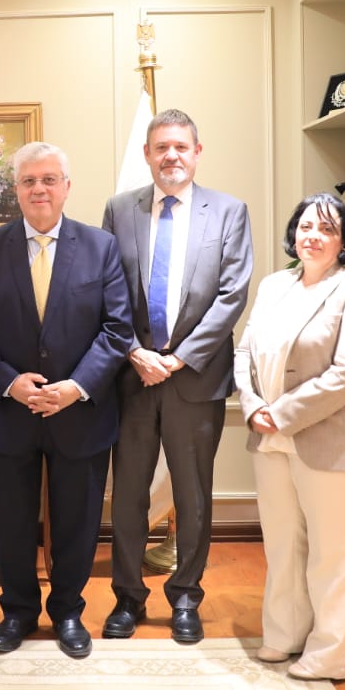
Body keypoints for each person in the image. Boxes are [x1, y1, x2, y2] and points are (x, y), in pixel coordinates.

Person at [0, 142, 132, 659]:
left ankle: (68, 612)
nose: (39, 189)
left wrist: (74, 388)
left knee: (78, 522)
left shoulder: (101, 247)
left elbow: (117, 329)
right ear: (15, 190)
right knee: (10, 522)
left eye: (49, 179)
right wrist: (10, 382)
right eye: (29, 180)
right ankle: (17, 611)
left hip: (79, 414)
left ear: (67, 187)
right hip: (6, 412)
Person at [101, 108, 253, 644]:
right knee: (128, 499)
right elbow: (106, 290)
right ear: (147, 154)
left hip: (195, 378)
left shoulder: (229, 211)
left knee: (193, 497)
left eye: (181, 147)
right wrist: (134, 352)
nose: (171, 156)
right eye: (161, 147)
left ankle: (186, 596)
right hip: (133, 378)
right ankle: (127, 597)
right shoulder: (120, 209)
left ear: (197, 152)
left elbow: (232, 295)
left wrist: (179, 357)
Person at [234, 192, 345, 682]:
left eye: (327, 229)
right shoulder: (274, 285)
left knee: (333, 551)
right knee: (282, 543)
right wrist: (253, 406)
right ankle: (284, 634)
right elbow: (244, 351)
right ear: (294, 234)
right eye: (305, 227)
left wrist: (280, 413)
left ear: (344, 241)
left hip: (330, 439)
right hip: (268, 435)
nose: (313, 236)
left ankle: (331, 653)